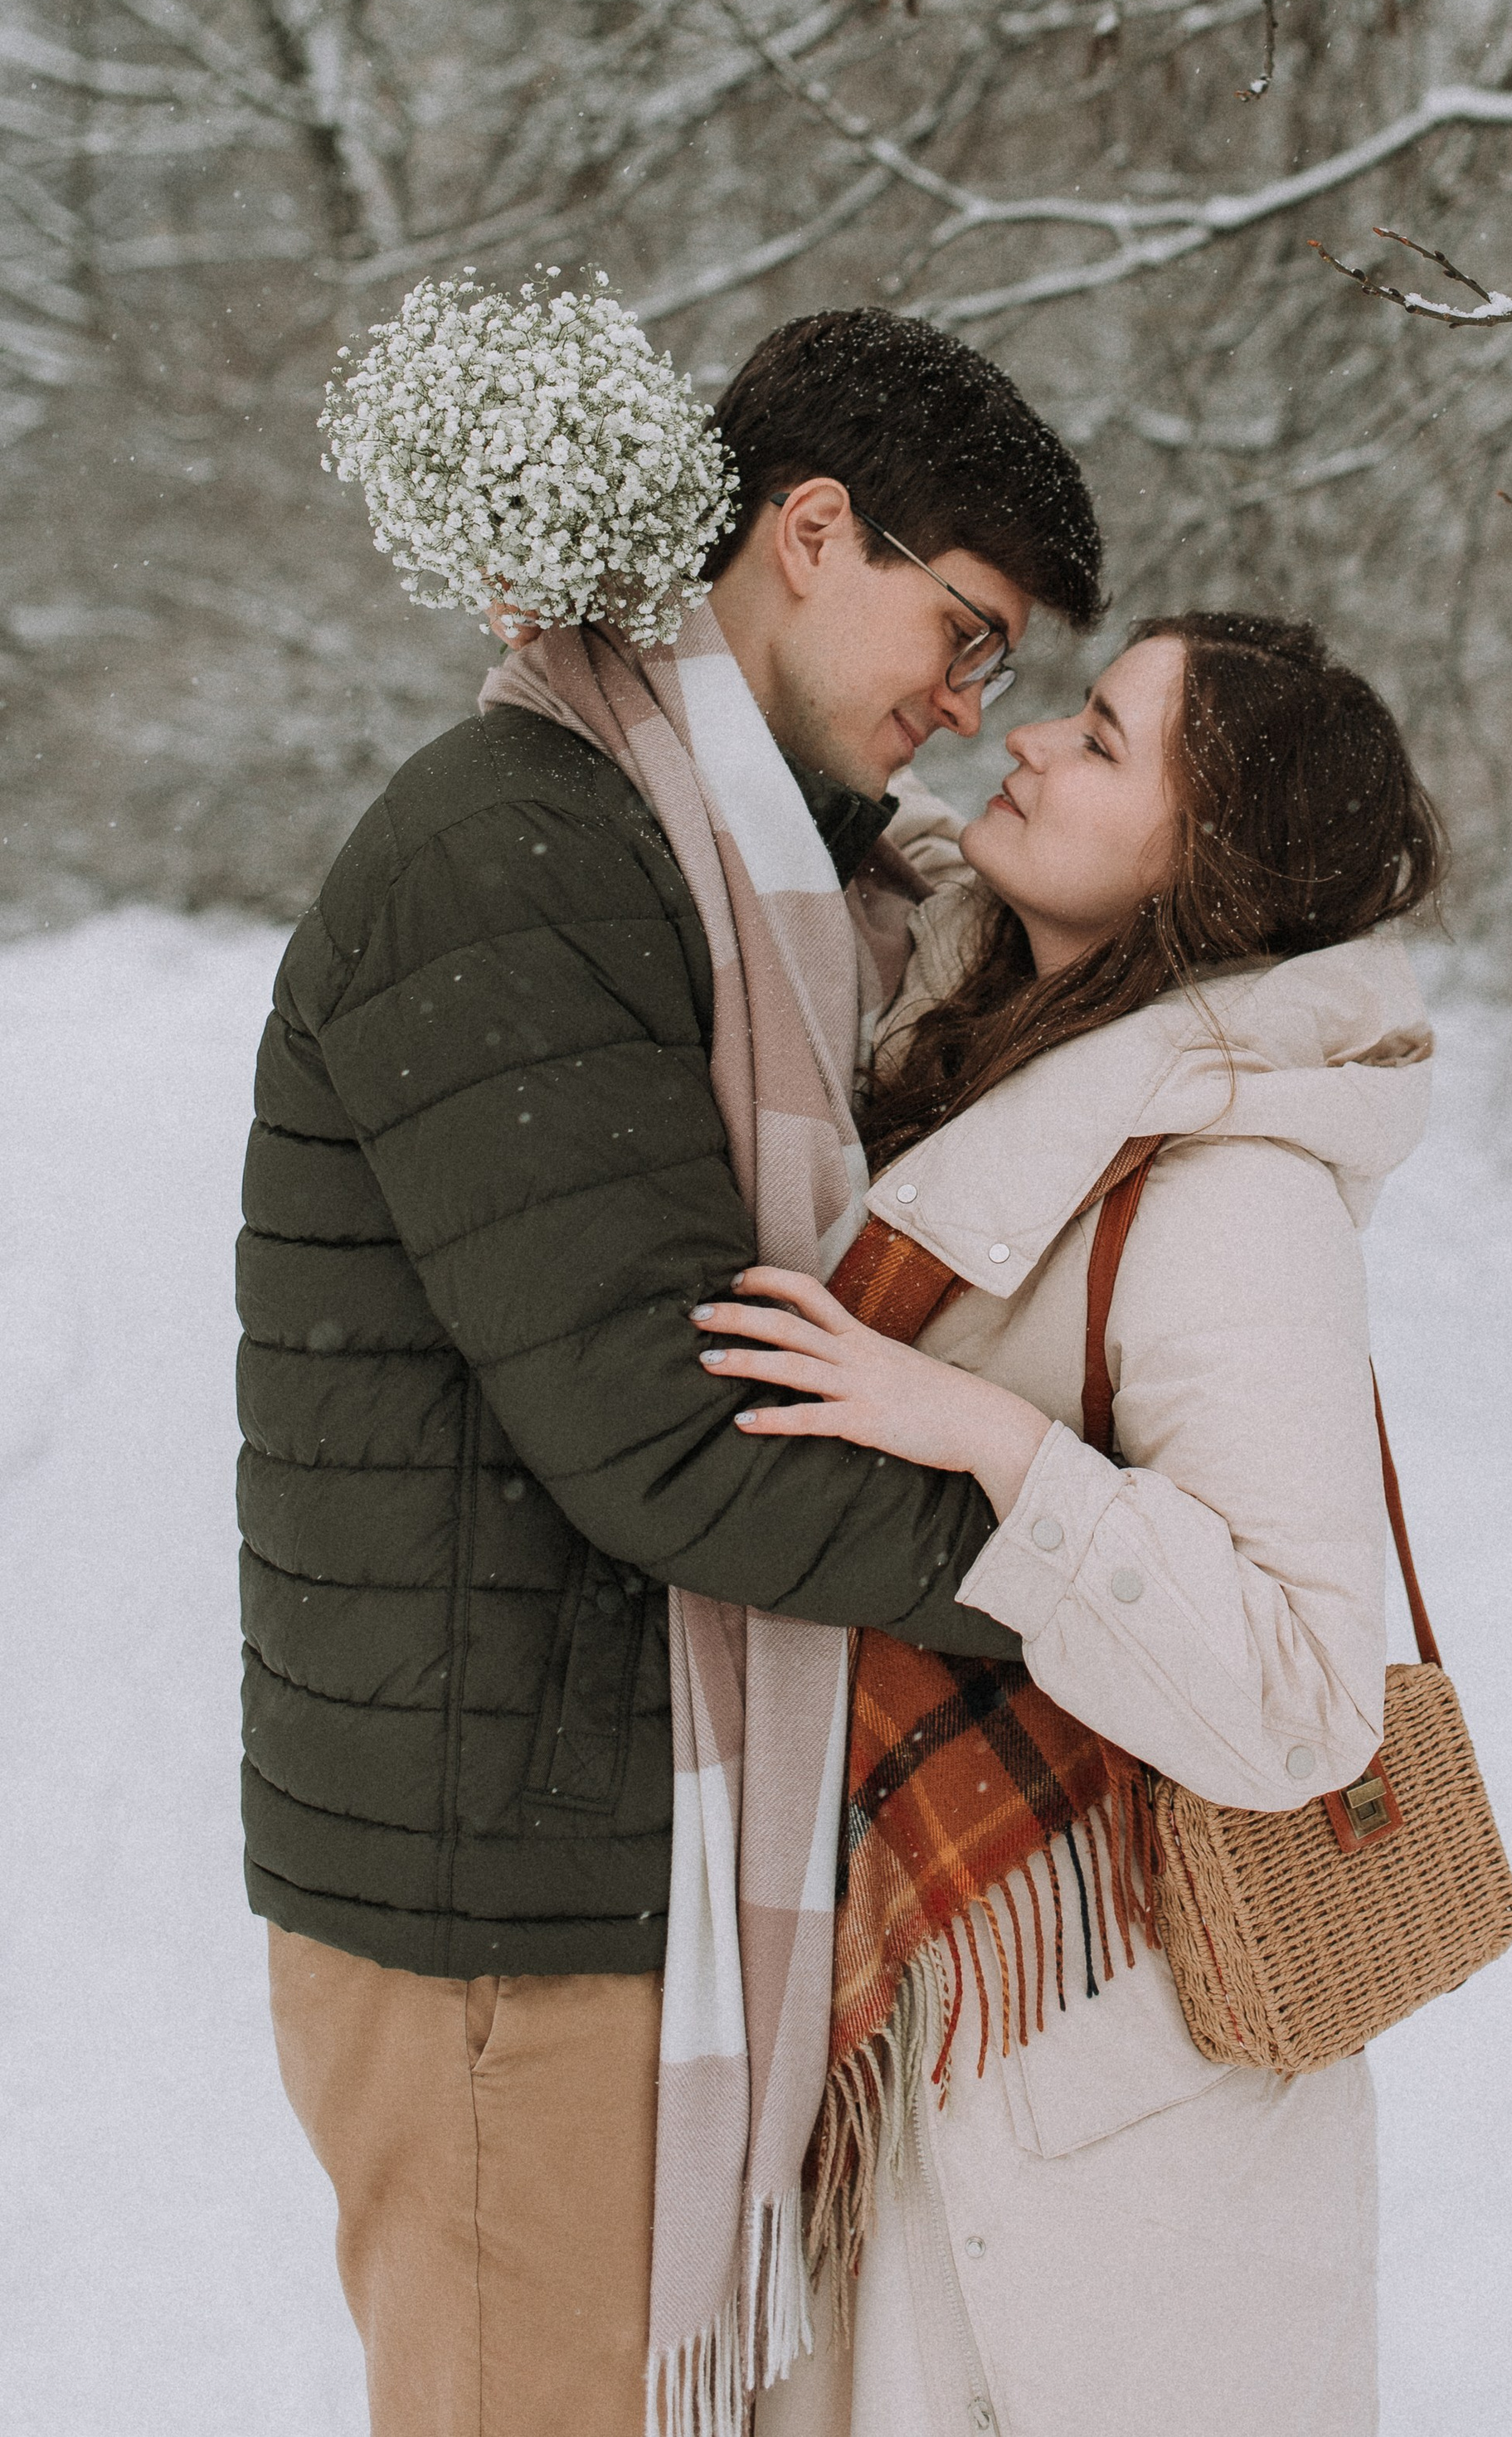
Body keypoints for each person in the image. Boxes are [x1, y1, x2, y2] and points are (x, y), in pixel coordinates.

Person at [236, 308, 1102, 2437]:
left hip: (621, 1865)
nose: (969, 710)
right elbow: (675, 1430)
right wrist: (1110, 1590)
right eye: (965, 629)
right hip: (504, 1910)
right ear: (811, 531)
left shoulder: (737, 876)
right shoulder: (515, 856)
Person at [707, 610, 1446, 2437]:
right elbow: (834, 814)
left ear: (1203, 865)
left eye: (1103, 742)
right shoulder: (978, 1041)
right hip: (909, 2043)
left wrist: (979, 1441)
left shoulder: (1226, 1189)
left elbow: (1297, 1695)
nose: (1026, 740)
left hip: (1089, 2093)